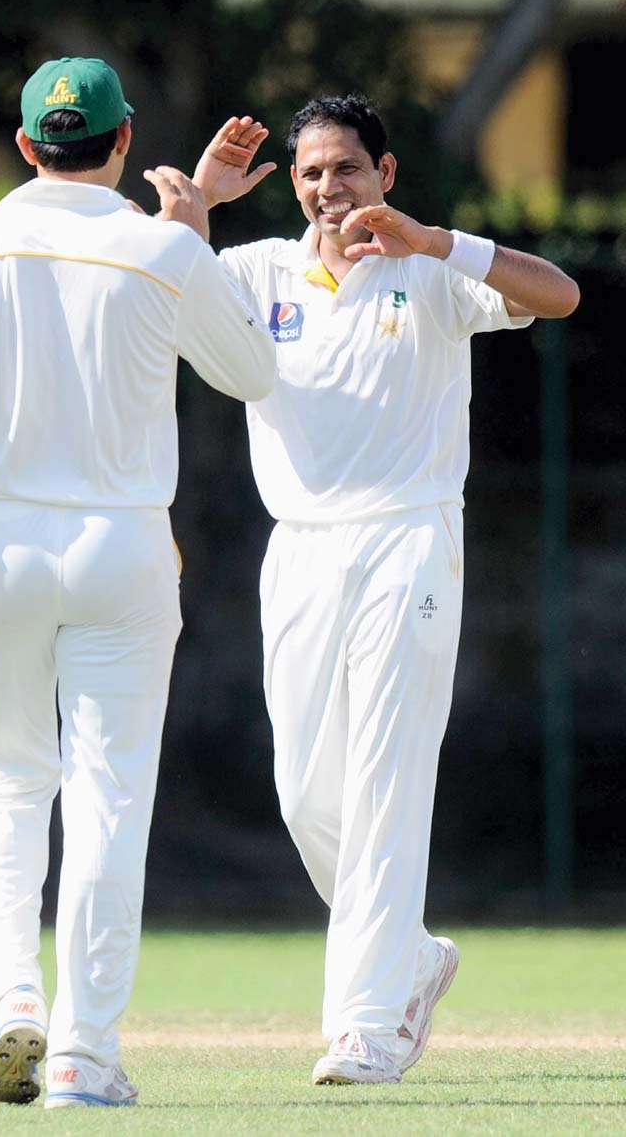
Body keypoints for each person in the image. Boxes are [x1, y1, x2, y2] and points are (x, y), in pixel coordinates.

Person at [0, 56, 275, 1109]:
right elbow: (253, 373)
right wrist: (194, 226)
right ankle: (80, 1055)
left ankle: (11, 1006)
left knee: (10, 783)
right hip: (122, 540)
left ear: (25, 146)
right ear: (120, 140)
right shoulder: (159, 248)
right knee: (109, 801)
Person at [192, 96, 579, 1085]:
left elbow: (558, 293)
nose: (331, 188)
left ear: (385, 172)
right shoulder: (253, 272)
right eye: (313, 172)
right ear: (292, 184)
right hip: (302, 549)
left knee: (383, 779)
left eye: (348, 169)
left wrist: (438, 241)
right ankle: (407, 954)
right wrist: (195, 200)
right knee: (302, 794)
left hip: (408, 535)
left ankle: (365, 1024)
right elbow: (150, 296)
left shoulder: (429, 270)